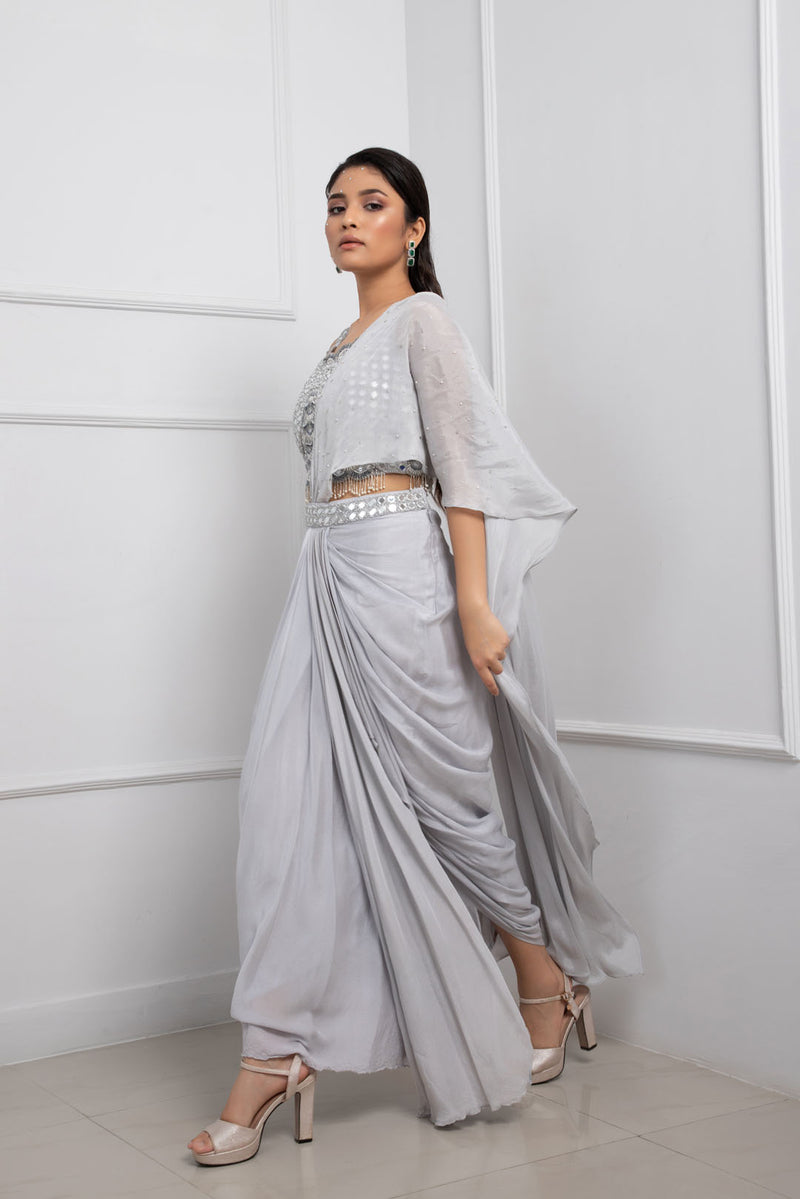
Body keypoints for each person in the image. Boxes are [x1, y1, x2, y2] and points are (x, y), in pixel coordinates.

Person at [188, 147, 643, 1166]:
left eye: (372, 202)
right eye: (334, 205)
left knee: (451, 802)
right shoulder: (339, 346)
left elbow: (462, 470)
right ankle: (277, 1048)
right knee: (284, 808)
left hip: (402, 570)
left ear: (415, 226)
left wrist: (474, 603)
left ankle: (543, 978)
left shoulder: (422, 321)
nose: (348, 218)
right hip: (322, 575)